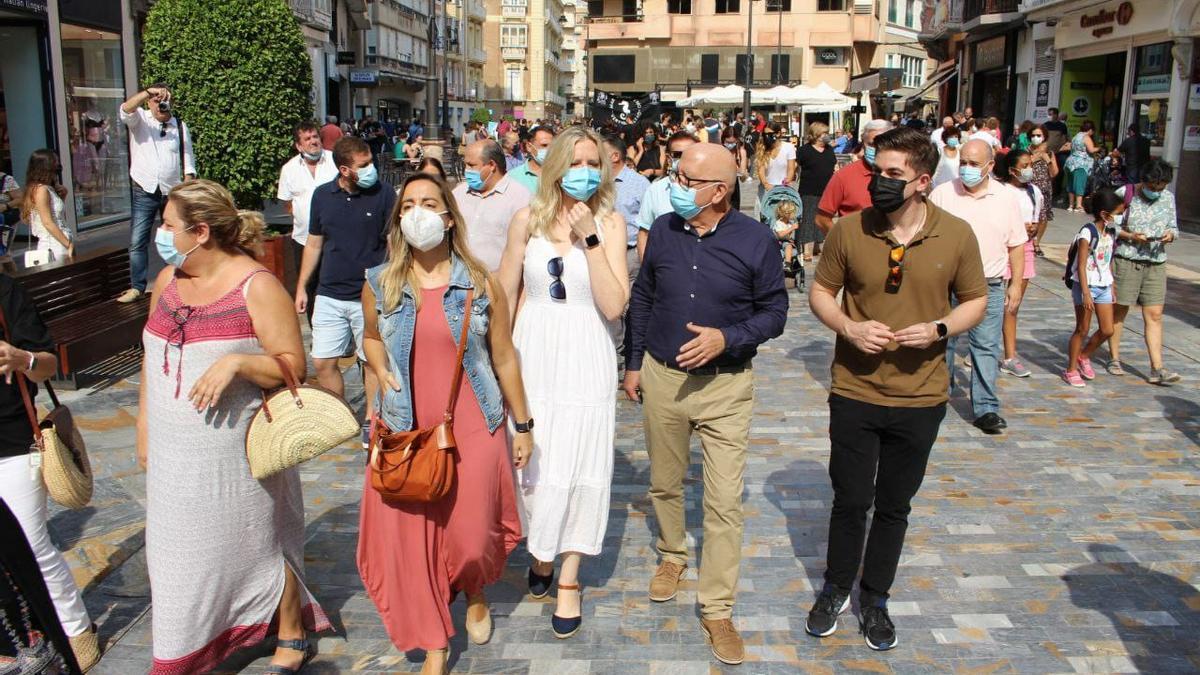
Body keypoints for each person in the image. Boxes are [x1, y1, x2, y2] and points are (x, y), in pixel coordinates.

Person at [805, 126, 987, 652]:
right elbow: (821, 291)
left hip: (922, 395)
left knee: (893, 506)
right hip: (856, 390)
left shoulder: (955, 234)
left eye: (892, 175)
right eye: (875, 171)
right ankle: (835, 587)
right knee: (850, 498)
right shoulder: (850, 230)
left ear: (922, 182)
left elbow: (975, 300)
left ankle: (876, 598)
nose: (879, 182)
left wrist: (939, 329)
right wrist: (848, 327)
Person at [139, 179, 329, 673]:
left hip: (236, 456)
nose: (161, 233)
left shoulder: (257, 285)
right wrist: (144, 427)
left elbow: (293, 366)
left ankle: (290, 625)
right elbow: (150, 359)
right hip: (172, 457)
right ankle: (188, 647)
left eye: (168, 226)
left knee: (259, 540)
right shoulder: (166, 281)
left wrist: (239, 365)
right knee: (176, 562)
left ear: (200, 232)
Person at [358, 173, 532, 675]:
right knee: (415, 539)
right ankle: (435, 642)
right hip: (405, 425)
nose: (418, 212)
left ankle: (473, 587)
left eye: (429, 202)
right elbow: (371, 338)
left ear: (448, 216)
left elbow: (504, 357)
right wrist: (378, 365)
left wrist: (524, 423)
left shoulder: (479, 284)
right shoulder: (380, 283)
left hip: (474, 422)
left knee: (472, 537)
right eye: (408, 204)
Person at [623, 144, 787, 666]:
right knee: (665, 484)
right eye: (675, 173)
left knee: (723, 503)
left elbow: (775, 313)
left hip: (725, 388)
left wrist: (727, 338)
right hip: (662, 379)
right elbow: (644, 296)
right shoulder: (667, 230)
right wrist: (632, 365)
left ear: (719, 190)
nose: (674, 184)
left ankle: (717, 609)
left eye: (686, 178)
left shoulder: (756, 240)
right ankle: (672, 555)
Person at [496, 126, 628, 641]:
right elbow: (505, 292)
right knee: (535, 460)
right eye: (574, 162)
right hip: (533, 352)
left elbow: (615, 305)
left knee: (581, 462)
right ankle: (542, 553)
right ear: (553, 168)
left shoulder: (612, 224)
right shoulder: (525, 220)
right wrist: (495, 356)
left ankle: (568, 577)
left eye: (593, 161)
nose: (585, 171)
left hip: (587, 350)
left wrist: (591, 235)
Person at [0, 273, 99, 671]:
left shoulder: (5, 291)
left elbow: (47, 364)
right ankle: (20, 636)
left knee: (31, 546)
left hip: (10, 443)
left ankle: (76, 630)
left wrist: (21, 359)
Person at [295, 136, 395, 447]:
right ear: (344, 170)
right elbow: (314, 242)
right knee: (323, 361)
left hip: (370, 294)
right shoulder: (323, 196)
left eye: (371, 163)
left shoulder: (384, 194)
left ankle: (371, 418)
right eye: (364, 166)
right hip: (329, 291)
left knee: (371, 362)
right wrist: (301, 286)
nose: (372, 170)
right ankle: (337, 416)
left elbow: (393, 241)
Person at [929, 138, 1026, 434]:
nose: (967, 169)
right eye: (963, 163)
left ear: (990, 166)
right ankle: (937, 396)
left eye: (974, 164)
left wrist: (1016, 285)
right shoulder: (943, 194)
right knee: (942, 340)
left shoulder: (1006, 198)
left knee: (985, 346)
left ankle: (985, 408)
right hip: (946, 283)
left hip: (989, 285)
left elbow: (1017, 245)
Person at [118, 83, 196, 303]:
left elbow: (188, 159)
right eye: (155, 100)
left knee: (175, 238)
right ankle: (137, 287)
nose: (160, 104)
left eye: (163, 100)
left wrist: (188, 184)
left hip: (172, 190)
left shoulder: (178, 126)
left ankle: (175, 280)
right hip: (145, 188)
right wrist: (146, 93)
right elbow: (125, 110)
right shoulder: (140, 120)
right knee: (138, 239)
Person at [1107, 159, 1182, 384]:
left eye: (1161, 187)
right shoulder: (1125, 193)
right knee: (1120, 311)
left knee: (1155, 315)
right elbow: (1109, 223)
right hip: (1127, 260)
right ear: (1145, 180)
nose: (1157, 191)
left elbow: (1174, 227)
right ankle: (1114, 357)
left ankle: (1157, 367)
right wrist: (1130, 236)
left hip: (1156, 260)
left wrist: (1170, 235)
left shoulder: (1168, 198)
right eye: (1153, 187)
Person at [277, 121, 339, 325]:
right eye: (307, 139)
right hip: (303, 239)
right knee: (310, 285)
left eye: (315, 137)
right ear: (299, 145)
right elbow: (287, 203)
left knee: (334, 282)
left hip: (334, 238)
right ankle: (317, 330)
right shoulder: (289, 169)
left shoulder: (334, 161)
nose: (313, 142)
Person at [1063, 188, 1121, 387]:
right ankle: (1070, 369)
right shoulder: (1088, 232)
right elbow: (1080, 264)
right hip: (1085, 286)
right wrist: (1086, 293)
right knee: (1082, 328)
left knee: (1107, 329)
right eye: (1118, 213)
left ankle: (1084, 355)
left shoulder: (1111, 231)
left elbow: (1108, 260)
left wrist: (1111, 284)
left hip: (1104, 285)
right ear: (1105, 214)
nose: (1120, 217)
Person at [453, 139, 532, 272]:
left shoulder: (521, 198)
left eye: (471, 165)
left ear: (491, 165)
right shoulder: (458, 194)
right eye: (465, 165)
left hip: (497, 285)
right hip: (458, 282)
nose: (467, 170)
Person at [997, 149, 1040, 379]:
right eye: (1024, 165)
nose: (1028, 169)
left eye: (1030, 164)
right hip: (1000, 248)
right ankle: (980, 349)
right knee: (991, 303)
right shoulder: (1001, 191)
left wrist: (1032, 228)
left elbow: (1038, 218)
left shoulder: (1034, 192)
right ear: (1012, 169)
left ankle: (1010, 356)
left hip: (1025, 249)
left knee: (1012, 305)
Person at [815, 119, 892, 234]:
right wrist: (843, 242)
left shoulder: (904, 174)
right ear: (863, 143)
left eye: (883, 144)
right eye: (872, 144)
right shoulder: (844, 176)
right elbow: (822, 219)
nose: (878, 148)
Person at [635, 130, 698, 260]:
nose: (685, 158)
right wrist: (646, 272)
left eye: (691, 153)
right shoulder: (655, 190)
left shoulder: (710, 188)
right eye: (678, 154)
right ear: (669, 158)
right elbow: (644, 234)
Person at [603, 134, 650, 285]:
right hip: (600, 250)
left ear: (614, 156)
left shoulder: (639, 183)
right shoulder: (594, 180)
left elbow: (650, 221)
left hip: (629, 254)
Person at [19, 150, 74, 263]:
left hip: (59, 240)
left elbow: (56, 215)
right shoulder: (41, 190)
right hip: (53, 244)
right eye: (55, 161)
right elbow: (47, 222)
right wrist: (67, 244)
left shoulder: (46, 188)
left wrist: (62, 197)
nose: (58, 165)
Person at [795, 122, 837, 262]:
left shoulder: (829, 150)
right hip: (809, 190)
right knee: (808, 219)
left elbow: (834, 166)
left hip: (827, 189)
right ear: (816, 135)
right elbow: (796, 166)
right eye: (824, 133)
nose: (827, 136)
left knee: (823, 218)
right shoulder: (804, 150)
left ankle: (819, 247)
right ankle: (806, 250)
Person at [1025, 124, 1058, 257]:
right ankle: (1028, 240)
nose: (1036, 138)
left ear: (1044, 137)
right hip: (1029, 187)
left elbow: (1054, 172)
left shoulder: (1049, 153)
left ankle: (1037, 242)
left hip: (1044, 188)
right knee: (1030, 215)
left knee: (1043, 217)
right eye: (1033, 135)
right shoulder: (1026, 151)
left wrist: (1048, 160)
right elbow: (1022, 168)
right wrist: (1033, 160)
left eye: (1039, 135)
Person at [754, 123, 797, 213]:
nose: (767, 136)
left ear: (778, 134)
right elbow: (760, 170)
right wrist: (766, 184)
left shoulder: (788, 147)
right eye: (764, 134)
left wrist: (787, 180)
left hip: (783, 190)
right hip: (766, 190)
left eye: (769, 134)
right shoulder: (762, 148)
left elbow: (791, 168)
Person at [1062, 120, 1099, 213]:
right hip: (1081, 164)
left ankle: (1070, 205)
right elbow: (1091, 150)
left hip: (1070, 163)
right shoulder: (1086, 137)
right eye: (1092, 131)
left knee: (1070, 184)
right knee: (1079, 184)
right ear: (1090, 130)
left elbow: (1071, 147)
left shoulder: (1076, 136)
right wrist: (1099, 148)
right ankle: (1078, 205)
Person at [510, 126, 557, 194]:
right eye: (544, 145)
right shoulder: (513, 177)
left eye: (553, 145)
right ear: (529, 147)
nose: (550, 150)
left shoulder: (561, 175)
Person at [720, 126, 748, 213]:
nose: (730, 144)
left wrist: (743, 173)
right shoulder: (719, 150)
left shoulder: (740, 152)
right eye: (727, 142)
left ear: (737, 140)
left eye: (732, 142)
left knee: (733, 212)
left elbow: (742, 178)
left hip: (734, 187)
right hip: (720, 185)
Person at [773, 200, 799, 271]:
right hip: (779, 242)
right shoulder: (779, 223)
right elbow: (780, 235)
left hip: (786, 241)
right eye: (792, 213)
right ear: (786, 214)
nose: (794, 215)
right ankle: (787, 263)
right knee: (788, 245)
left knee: (790, 244)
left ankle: (792, 263)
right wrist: (792, 228)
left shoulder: (790, 223)